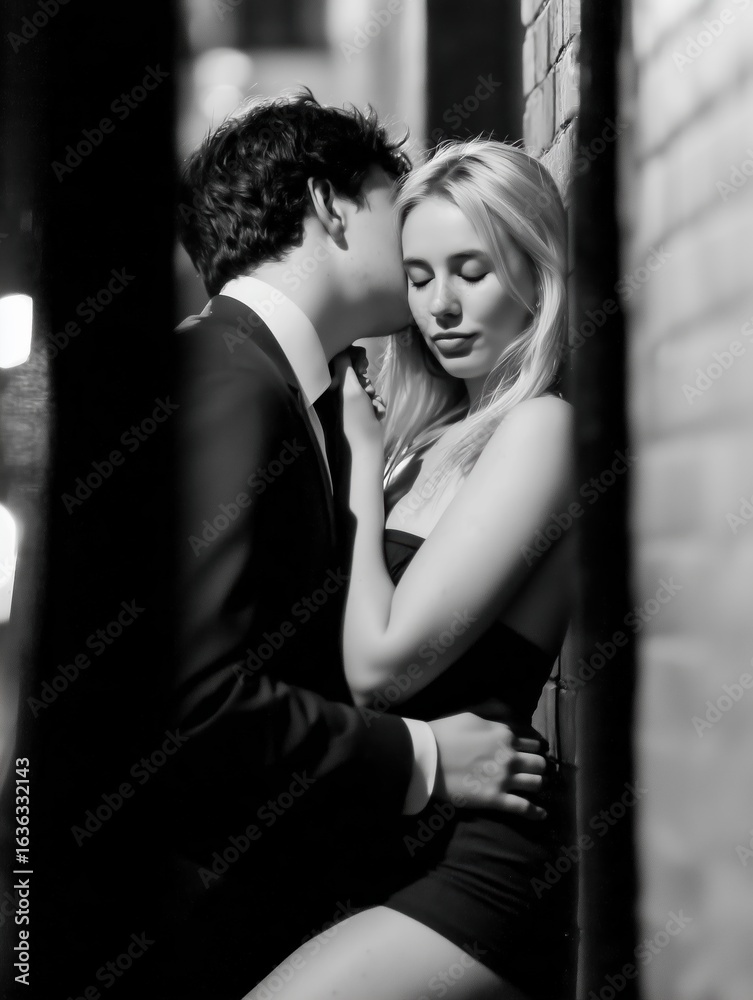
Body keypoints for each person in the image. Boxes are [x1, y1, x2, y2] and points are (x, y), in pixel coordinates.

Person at [157, 96, 548, 997]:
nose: (434, 297)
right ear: (330, 206)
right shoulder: (233, 376)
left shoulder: (304, 396)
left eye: (470, 267)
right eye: (393, 208)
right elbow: (195, 695)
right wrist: (421, 756)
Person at [244, 140, 574, 1000]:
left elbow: (379, 668)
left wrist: (358, 458)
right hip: (388, 841)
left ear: (536, 274)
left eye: (472, 270)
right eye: (419, 277)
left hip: (477, 858)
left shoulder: (540, 428)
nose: (440, 306)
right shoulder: (423, 444)